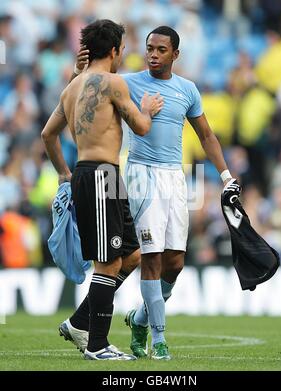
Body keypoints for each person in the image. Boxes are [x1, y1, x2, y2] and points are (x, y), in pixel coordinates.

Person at [63, 25, 241, 360]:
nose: (153, 55)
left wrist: (227, 176)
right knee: (150, 257)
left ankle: (140, 318)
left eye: (161, 50)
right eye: (149, 48)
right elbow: (83, 93)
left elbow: (206, 136)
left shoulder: (188, 90)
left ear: (176, 54)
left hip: (176, 178)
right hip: (140, 175)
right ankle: (158, 340)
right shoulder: (126, 82)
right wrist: (77, 71)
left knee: (175, 262)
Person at [41, 19, 163, 361]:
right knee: (107, 263)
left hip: (96, 174)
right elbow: (139, 127)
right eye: (122, 49)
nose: (122, 55)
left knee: (131, 255)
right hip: (99, 175)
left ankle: (80, 323)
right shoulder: (113, 82)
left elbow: (47, 135)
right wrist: (148, 110)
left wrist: (64, 174)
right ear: (113, 50)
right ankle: (97, 345)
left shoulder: (72, 87)